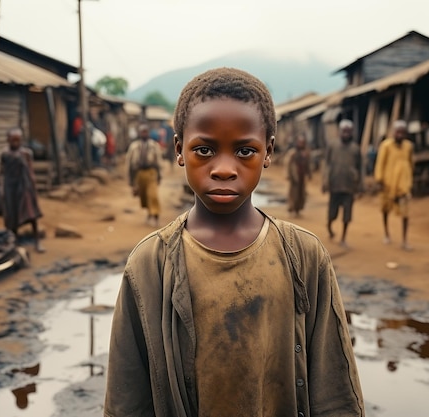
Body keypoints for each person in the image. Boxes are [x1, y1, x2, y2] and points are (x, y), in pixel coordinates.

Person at [104, 68, 364, 417]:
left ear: (268, 151)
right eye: (205, 149)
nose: (224, 168)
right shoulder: (149, 265)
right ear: (179, 149)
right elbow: (126, 401)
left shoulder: (304, 257)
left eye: (244, 151)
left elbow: (336, 393)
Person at [0, 127, 44, 253]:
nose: (15, 143)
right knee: (12, 214)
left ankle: (37, 242)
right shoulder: (5, 154)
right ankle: (14, 243)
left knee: (31, 214)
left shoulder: (26, 153)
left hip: (24, 186)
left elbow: (31, 171)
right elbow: (2, 172)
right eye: (13, 140)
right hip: (10, 186)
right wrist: (2, 188)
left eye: (18, 140)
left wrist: (33, 186)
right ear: (8, 140)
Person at [374, 119, 414, 250]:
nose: (400, 135)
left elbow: (411, 162)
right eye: (398, 132)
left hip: (403, 185)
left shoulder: (408, 146)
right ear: (393, 133)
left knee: (405, 213)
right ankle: (386, 234)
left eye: (402, 132)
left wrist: (409, 178)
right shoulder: (386, 145)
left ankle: (405, 240)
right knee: (385, 210)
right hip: (388, 184)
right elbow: (380, 163)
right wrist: (379, 179)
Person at [323, 119, 362, 248]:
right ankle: (329, 226)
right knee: (332, 213)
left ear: (351, 133)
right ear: (339, 132)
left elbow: (360, 168)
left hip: (349, 187)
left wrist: (360, 186)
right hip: (335, 185)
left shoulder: (355, 149)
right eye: (343, 131)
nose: (346, 134)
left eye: (348, 132)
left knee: (347, 215)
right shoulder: (332, 145)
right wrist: (325, 181)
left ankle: (343, 238)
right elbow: (327, 165)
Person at [125, 123, 164, 227]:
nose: (144, 133)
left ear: (148, 133)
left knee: (153, 195)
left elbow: (159, 161)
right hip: (139, 174)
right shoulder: (134, 146)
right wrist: (131, 180)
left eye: (146, 131)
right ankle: (149, 214)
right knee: (144, 196)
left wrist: (160, 175)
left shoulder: (154, 145)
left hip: (151, 173)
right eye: (142, 131)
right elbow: (129, 163)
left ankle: (156, 217)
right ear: (139, 133)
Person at [283, 133, 312, 217]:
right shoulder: (292, 153)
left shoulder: (305, 153)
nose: (301, 144)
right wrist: (288, 174)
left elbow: (308, 164)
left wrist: (309, 173)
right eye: (299, 142)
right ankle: (292, 208)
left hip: (302, 176)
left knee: (301, 194)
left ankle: (298, 209)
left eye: (302, 143)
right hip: (294, 175)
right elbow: (287, 163)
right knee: (293, 193)